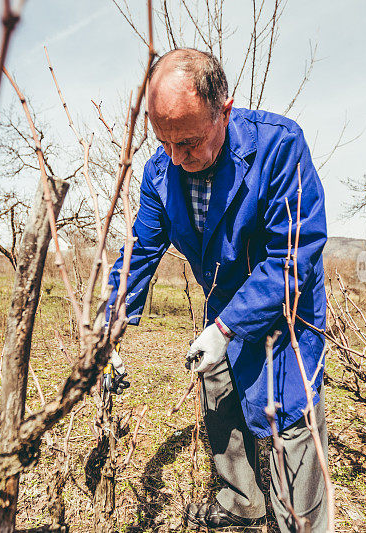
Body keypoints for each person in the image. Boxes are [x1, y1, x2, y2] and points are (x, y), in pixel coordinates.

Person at [106, 48, 328, 532]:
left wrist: (228, 327)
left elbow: (293, 256)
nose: (176, 158)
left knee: (290, 424)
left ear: (223, 110)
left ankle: (304, 524)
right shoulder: (160, 173)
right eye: (164, 143)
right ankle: (241, 501)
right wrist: (108, 330)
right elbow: (140, 252)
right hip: (221, 312)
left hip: (284, 312)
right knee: (220, 401)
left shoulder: (278, 146)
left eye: (189, 141)